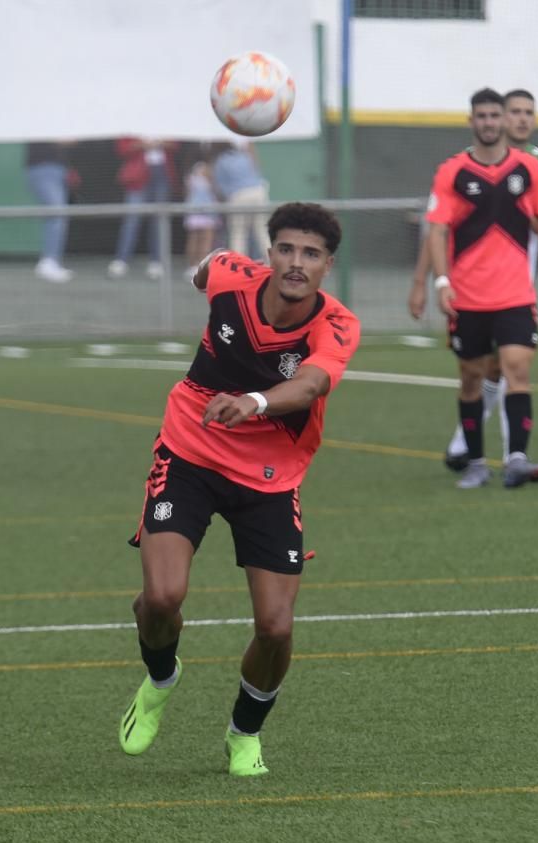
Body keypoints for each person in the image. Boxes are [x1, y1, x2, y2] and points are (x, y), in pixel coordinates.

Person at [118, 203, 360, 777]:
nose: (296, 264)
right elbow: (203, 269)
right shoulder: (232, 275)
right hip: (189, 452)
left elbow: (310, 385)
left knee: (275, 626)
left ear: (328, 265)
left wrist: (252, 403)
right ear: (269, 251)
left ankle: (244, 732)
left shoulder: (337, 324)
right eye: (286, 249)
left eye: (311, 254)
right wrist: (206, 267)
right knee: (161, 598)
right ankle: (160, 677)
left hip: (271, 477)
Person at [410, 88, 538, 473]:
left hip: (515, 285)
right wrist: (427, 281)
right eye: (513, 112)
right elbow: (437, 229)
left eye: (527, 112)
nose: (519, 119)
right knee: (479, 372)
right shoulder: (456, 170)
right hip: (471, 289)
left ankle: (512, 458)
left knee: (512, 367)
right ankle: (470, 447)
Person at [108, 137, 178, 279]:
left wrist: (159, 143)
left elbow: (176, 144)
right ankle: (121, 260)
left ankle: (156, 262)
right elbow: (122, 148)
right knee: (132, 219)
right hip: (137, 175)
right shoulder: (133, 122)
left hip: (161, 174)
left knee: (158, 220)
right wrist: (143, 144)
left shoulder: (167, 120)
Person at [25, 141, 75, 284]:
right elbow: (63, 140)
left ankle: (52, 262)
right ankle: (48, 262)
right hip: (42, 169)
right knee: (57, 214)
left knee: (58, 216)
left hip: (59, 169)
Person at [212, 139, 268, 258]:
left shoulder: (220, 161)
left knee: (238, 232)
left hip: (238, 195)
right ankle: (273, 262)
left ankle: (239, 265)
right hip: (258, 191)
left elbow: (220, 187)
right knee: (262, 230)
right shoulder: (244, 156)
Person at [182, 160, 220, 279]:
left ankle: (197, 267)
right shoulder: (196, 180)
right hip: (203, 214)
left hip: (200, 214)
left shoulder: (191, 180)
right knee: (202, 241)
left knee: (200, 240)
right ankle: (196, 267)